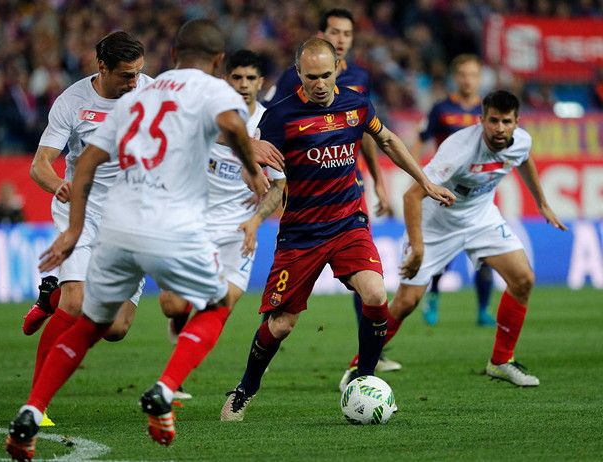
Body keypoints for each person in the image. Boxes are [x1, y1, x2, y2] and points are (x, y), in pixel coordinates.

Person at [5, 19, 267, 461]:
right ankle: (165, 390)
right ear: (219, 61)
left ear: (172, 55)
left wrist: (72, 230)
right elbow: (231, 125)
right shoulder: (213, 91)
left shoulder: (140, 97)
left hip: (117, 225)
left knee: (101, 326)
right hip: (169, 223)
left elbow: (87, 160)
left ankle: (32, 411)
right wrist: (254, 168)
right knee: (216, 305)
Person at [220, 38, 455, 422]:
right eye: (311, 76)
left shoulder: (356, 104)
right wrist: (253, 171)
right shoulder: (280, 116)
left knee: (376, 292)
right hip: (301, 233)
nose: (319, 83)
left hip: (348, 223)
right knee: (281, 325)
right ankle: (246, 388)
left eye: (326, 75)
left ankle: (363, 379)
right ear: (298, 74)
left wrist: (424, 181)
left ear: (337, 70)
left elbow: (387, 140)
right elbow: (255, 160)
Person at [342, 90, 566, 390]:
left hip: (480, 218)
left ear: (517, 122)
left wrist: (542, 203)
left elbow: (524, 159)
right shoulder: (458, 150)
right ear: (481, 120)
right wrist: (418, 247)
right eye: (493, 121)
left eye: (506, 122)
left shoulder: (521, 141)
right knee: (406, 302)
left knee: (523, 279)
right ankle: (359, 366)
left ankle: (501, 361)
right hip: (436, 225)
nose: (499, 128)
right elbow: (412, 195)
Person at [17, 31, 152, 428]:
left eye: (139, 73)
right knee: (75, 303)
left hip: (133, 219)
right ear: (102, 67)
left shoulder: (152, 91)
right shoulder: (73, 102)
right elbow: (40, 164)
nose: (134, 83)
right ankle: (36, 404)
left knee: (116, 329)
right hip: (84, 211)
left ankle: (49, 298)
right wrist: (58, 184)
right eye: (127, 75)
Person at [268, 7, 399, 372]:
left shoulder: (358, 79)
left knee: (369, 278)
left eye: (347, 34)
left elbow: (368, 132)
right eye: (335, 32)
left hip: (349, 188)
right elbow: (274, 122)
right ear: (323, 34)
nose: (341, 39)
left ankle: (369, 357)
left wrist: (378, 182)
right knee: (284, 318)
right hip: (308, 196)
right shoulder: (290, 82)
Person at [161, 49, 272, 401]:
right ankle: (179, 322)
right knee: (173, 305)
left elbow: (280, 186)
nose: (243, 85)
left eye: (250, 78)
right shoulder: (208, 111)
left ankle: (171, 380)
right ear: (227, 80)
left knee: (222, 304)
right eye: (236, 77)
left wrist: (256, 219)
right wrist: (247, 147)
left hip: (239, 232)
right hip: (194, 225)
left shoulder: (271, 123)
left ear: (261, 83)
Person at [412, 54, 495, 327]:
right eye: (463, 75)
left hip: (478, 192)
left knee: (485, 254)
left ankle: (483, 311)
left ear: (480, 78)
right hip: (444, 191)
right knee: (443, 255)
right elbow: (421, 140)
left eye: (474, 75)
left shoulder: (488, 112)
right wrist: (413, 172)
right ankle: (433, 295)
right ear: (455, 78)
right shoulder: (441, 109)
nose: (468, 80)